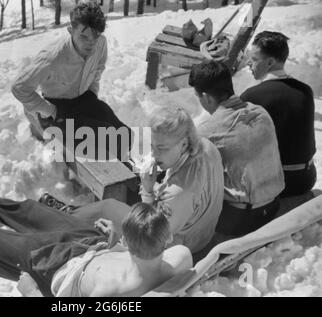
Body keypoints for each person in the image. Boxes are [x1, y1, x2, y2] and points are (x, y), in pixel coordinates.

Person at [0, 172, 192, 297]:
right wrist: (112, 243)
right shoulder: (179, 256)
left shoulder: (111, 295)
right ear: (165, 240)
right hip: (92, 248)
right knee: (39, 213)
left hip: (53, 268)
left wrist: (31, 292)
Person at [49, 107, 225, 255]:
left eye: (162, 148)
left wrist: (148, 191)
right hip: (201, 231)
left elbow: (151, 234)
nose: (155, 154)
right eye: (152, 146)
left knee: (107, 207)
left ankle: (63, 218)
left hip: (176, 247)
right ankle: (74, 214)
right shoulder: (205, 145)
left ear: (184, 144)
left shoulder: (178, 194)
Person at [11, 1, 131, 161]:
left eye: (95, 35)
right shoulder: (52, 57)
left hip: (83, 100)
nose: (91, 42)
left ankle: (130, 167)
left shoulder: (100, 43)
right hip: (56, 110)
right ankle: (121, 176)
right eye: (84, 36)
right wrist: (49, 110)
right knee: (107, 141)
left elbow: (98, 67)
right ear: (70, 30)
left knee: (126, 136)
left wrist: (92, 93)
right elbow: (19, 87)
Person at [190, 60, 285, 237]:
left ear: (207, 97)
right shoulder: (261, 111)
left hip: (240, 219)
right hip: (273, 205)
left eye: (198, 97)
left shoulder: (207, 131)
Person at [241, 31, 316, 197]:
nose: (248, 64)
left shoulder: (252, 96)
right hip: (306, 178)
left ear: (270, 62)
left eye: (253, 59)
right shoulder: (305, 90)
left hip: (276, 183)